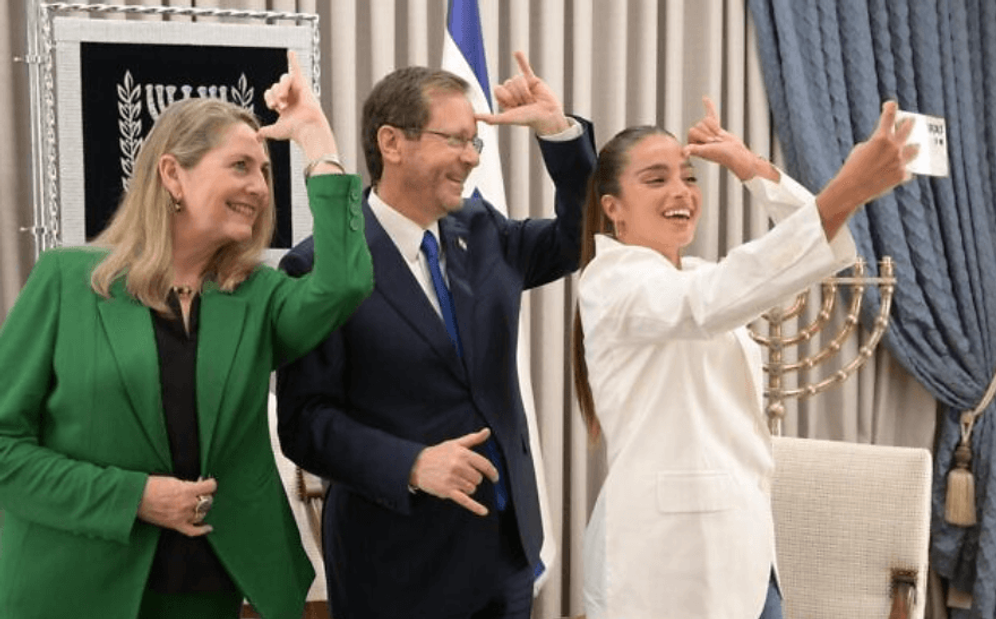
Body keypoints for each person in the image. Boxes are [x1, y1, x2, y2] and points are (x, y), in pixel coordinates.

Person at [0, 51, 372, 619]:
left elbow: (345, 282)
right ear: (173, 173)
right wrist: (134, 498)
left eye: (266, 172)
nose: (260, 187)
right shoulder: (65, 281)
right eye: (241, 167)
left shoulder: (258, 295)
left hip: (209, 589)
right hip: (75, 587)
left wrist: (317, 141)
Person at [276, 52, 595, 619]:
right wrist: (411, 463)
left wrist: (558, 133)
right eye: (457, 140)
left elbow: (582, 237)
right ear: (392, 142)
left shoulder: (485, 231)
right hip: (398, 565)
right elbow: (306, 423)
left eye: (476, 143)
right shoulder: (323, 267)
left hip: (506, 553)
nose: (472, 158)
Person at [572, 98, 918, 619]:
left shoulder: (693, 272)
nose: (681, 192)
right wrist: (847, 189)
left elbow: (804, 261)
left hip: (748, 554)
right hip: (672, 565)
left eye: (689, 177)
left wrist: (753, 169)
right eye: (655, 179)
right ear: (612, 206)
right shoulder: (612, 281)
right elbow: (722, 294)